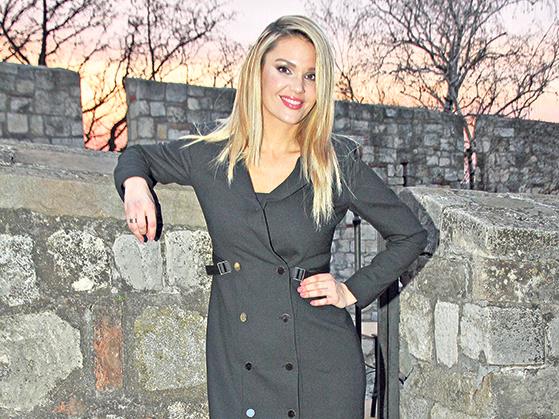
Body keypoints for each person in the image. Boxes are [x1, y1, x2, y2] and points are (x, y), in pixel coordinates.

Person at [113, 14, 428, 419]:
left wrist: (350, 291)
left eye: (311, 76)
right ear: (257, 71)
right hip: (239, 363)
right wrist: (136, 186)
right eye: (284, 69)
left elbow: (409, 235)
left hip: (322, 367)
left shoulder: (333, 164)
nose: (298, 88)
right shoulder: (212, 155)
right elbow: (137, 155)